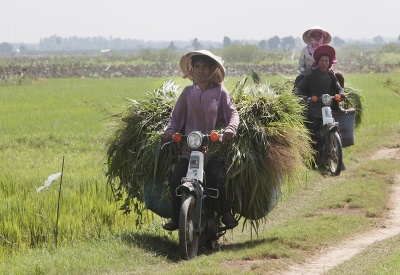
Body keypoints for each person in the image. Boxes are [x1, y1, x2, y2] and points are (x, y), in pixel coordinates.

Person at [162, 50, 239, 231]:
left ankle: (224, 213)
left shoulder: (220, 92)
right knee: (175, 180)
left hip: (212, 149)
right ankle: (176, 217)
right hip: (190, 149)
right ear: (192, 69)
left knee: (216, 179)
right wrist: (170, 130)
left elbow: (233, 113)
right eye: (197, 66)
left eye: (205, 66)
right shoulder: (188, 92)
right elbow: (175, 116)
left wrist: (230, 129)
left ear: (212, 69)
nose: (201, 70)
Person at [294, 45, 346, 167]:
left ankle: (337, 156)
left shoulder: (331, 75)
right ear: (318, 62)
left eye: (326, 61)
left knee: (334, 126)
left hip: (326, 107)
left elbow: (338, 87)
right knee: (311, 132)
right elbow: (298, 88)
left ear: (329, 63)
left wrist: (341, 94)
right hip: (313, 107)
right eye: (322, 61)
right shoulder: (311, 74)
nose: (324, 63)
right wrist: (304, 97)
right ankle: (310, 158)